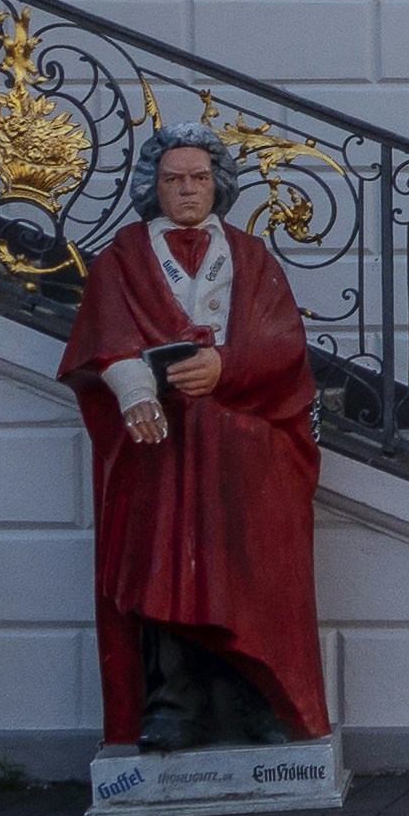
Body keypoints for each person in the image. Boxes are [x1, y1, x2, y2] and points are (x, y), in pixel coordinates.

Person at [59, 127, 332, 753]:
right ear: (154, 187)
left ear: (218, 185)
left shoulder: (252, 256)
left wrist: (226, 368)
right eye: (174, 179)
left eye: (199, 179)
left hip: (243, 451)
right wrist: (133, 385)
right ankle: (171, 707)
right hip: (159, 452)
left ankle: (256, 700)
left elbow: (284, 345)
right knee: (162, 568)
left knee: (248, 570)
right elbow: (101, 338)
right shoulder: (123, 256)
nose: (187, 191)